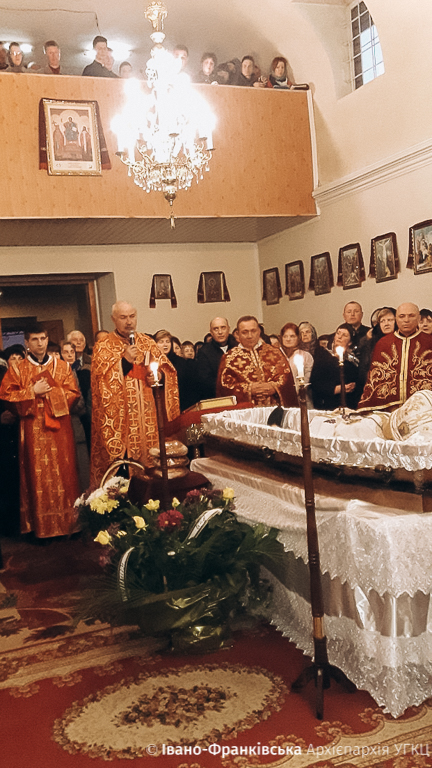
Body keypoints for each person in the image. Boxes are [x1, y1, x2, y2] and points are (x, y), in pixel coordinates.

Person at [0, 323, 81, 539]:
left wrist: (51, 393)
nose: (40, 343)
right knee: (36, 477)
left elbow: (74, 393)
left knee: (65, 475)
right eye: (34, 339)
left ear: (47, 340)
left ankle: (68, 526)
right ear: (27, 342)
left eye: (43, 339)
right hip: (32, 431)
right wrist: (31, 391)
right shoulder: (17, 369)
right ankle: (40, 528)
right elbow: (7, 396)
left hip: (60, 431)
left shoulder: (62, 366)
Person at [90, 302, 180, 485]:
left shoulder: (147, 342)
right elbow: (100, 382)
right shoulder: (103, 346)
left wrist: (159, 377)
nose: (129, 321)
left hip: (148, 418)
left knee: (152, 467)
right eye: (123, 317)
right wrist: (124, 361)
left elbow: (168, 371)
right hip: (121, 421)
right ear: (113, 319)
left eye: (132, 316)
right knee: (123, 476)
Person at [358, 303, 432, 412]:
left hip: (424, 409)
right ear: (396, 319)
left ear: (418, 318)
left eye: (411, 316)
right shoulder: (383, 343)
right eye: (402, 316)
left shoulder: (429, 342)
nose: (406, 320)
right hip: (389, 409)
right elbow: (375, 379)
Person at [217, 315, 297, 407]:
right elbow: (224, 388)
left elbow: (286, 378)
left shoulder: (275, 352)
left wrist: (274, 387)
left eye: (253, 331)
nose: (250, 336)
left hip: (275, 409)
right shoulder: (228, 358)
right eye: (245, 332)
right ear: (238, 334)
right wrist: (248, 389)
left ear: (259, 331)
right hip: (245, 412)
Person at [0, 345, 26, 536]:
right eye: (12, 358)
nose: (16, 362)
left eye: (19, 358)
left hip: (21, 433)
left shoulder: (26, 377)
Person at [310, 323, 361, 410]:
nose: (339, 337)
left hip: (348, 406)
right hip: (326, 405)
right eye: (338, 333)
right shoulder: (323, 355)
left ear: (350, 342)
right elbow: (316, 383)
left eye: (344, 335)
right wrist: (338, 389)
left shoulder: (353, 361)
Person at [154, 330, 199, 411]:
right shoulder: (152, 361)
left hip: (181, 403)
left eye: (167, 342)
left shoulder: (181, 362)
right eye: (161, 342)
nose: (165, 345)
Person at [196, 316, 237, 400]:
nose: (220, 332)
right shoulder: (204, 352)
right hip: (216, 397)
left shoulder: (238, 347)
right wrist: (227, 387)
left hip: (238, 394)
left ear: (228, 329)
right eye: (216, 329)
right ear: (211, 332)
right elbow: (205, 381)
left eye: (223, 328)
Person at [357, 307, 396, 389]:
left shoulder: (402, 340)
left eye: (389, 320)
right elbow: (364, 368)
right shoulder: (372, 343)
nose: (386, 324)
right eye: (382, 321)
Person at [280, 322, 313, 406]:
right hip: (280, 398)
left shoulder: (305, 356)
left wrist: (295, 392)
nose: (288, 339)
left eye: (292, 336)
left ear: (298, 338)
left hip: (300, 398)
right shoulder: (276, 354)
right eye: (285, 336)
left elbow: (307, 378)